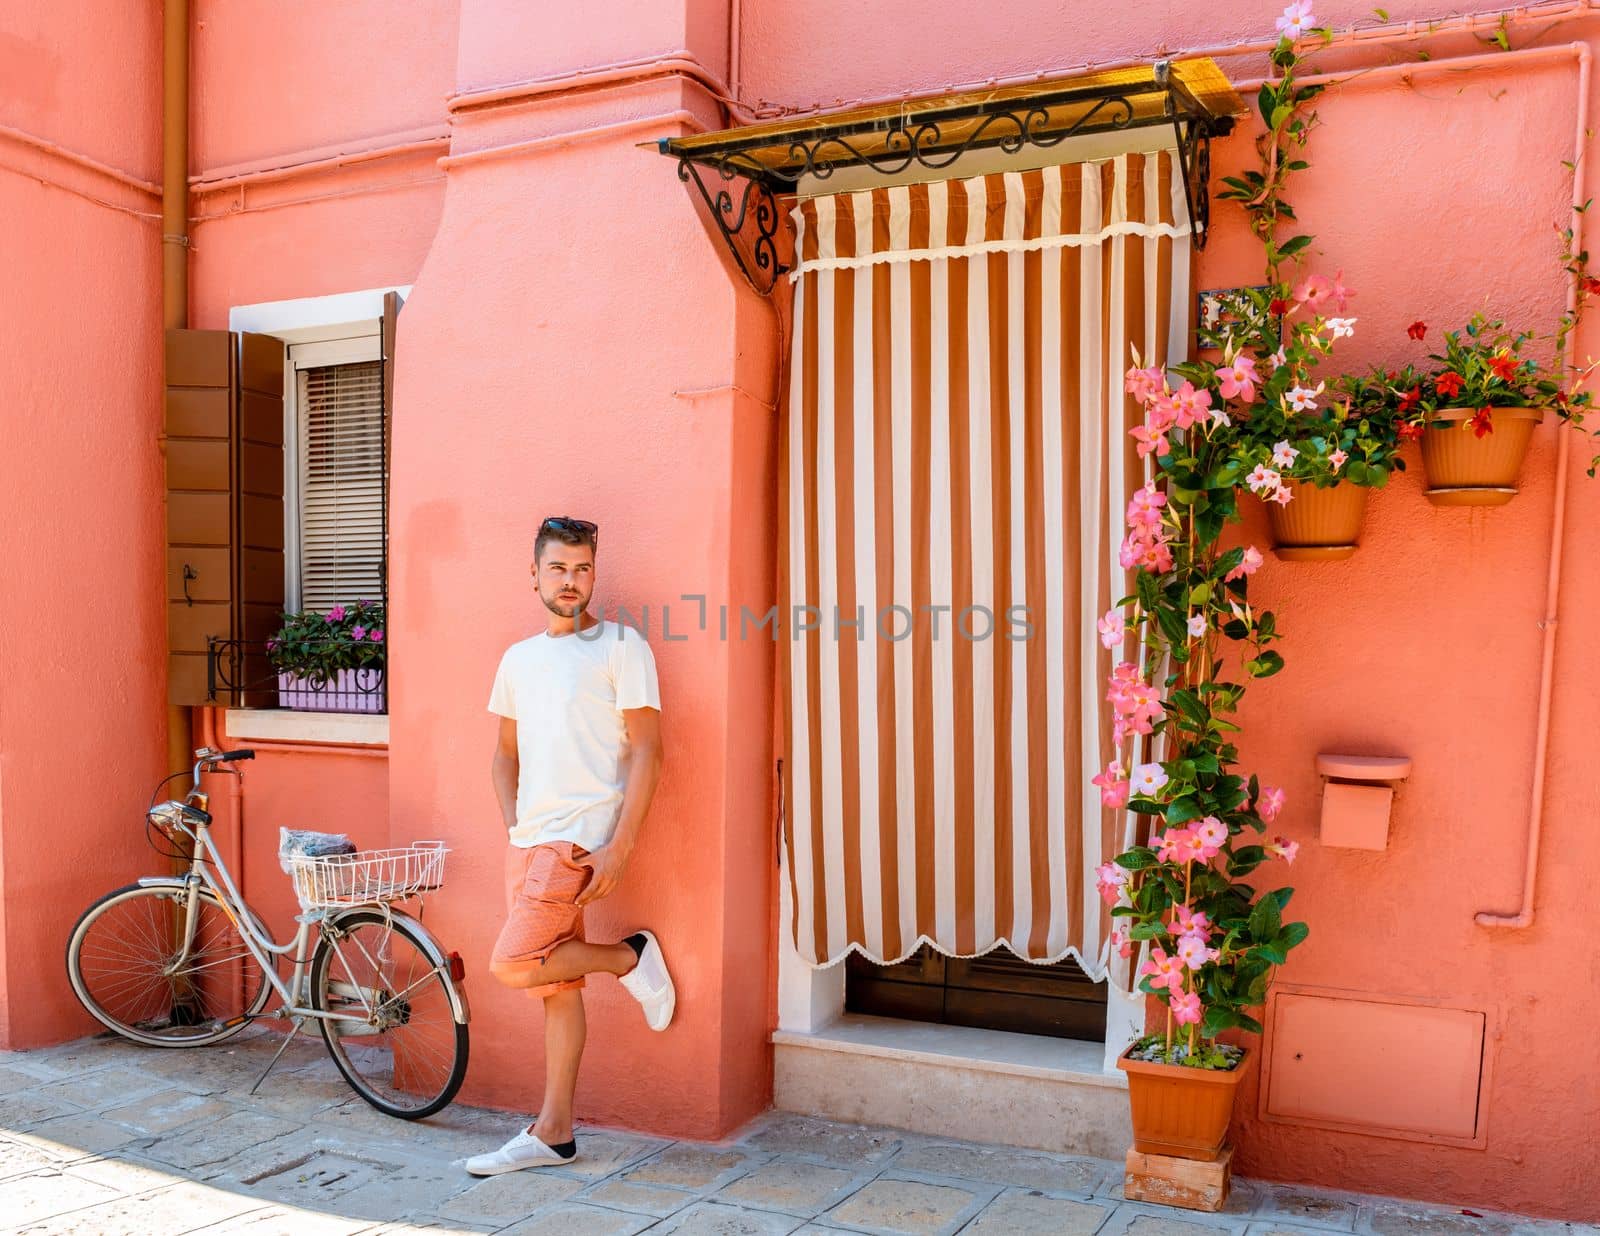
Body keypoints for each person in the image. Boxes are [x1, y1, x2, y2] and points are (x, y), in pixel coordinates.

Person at [465, 515, 672, 1177]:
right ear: (534, 573)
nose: (571, 581)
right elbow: (502, 755)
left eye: (582, 568)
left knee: (512, 963)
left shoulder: (620, 646)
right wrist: (513, 826)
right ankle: (555, 1133)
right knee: (557, 987)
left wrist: (620, 848)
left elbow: (649, 751)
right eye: (558, 568)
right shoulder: (518, 659)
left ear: (594, 573)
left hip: (577, 845)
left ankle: (628, 956)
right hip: (530, 843)